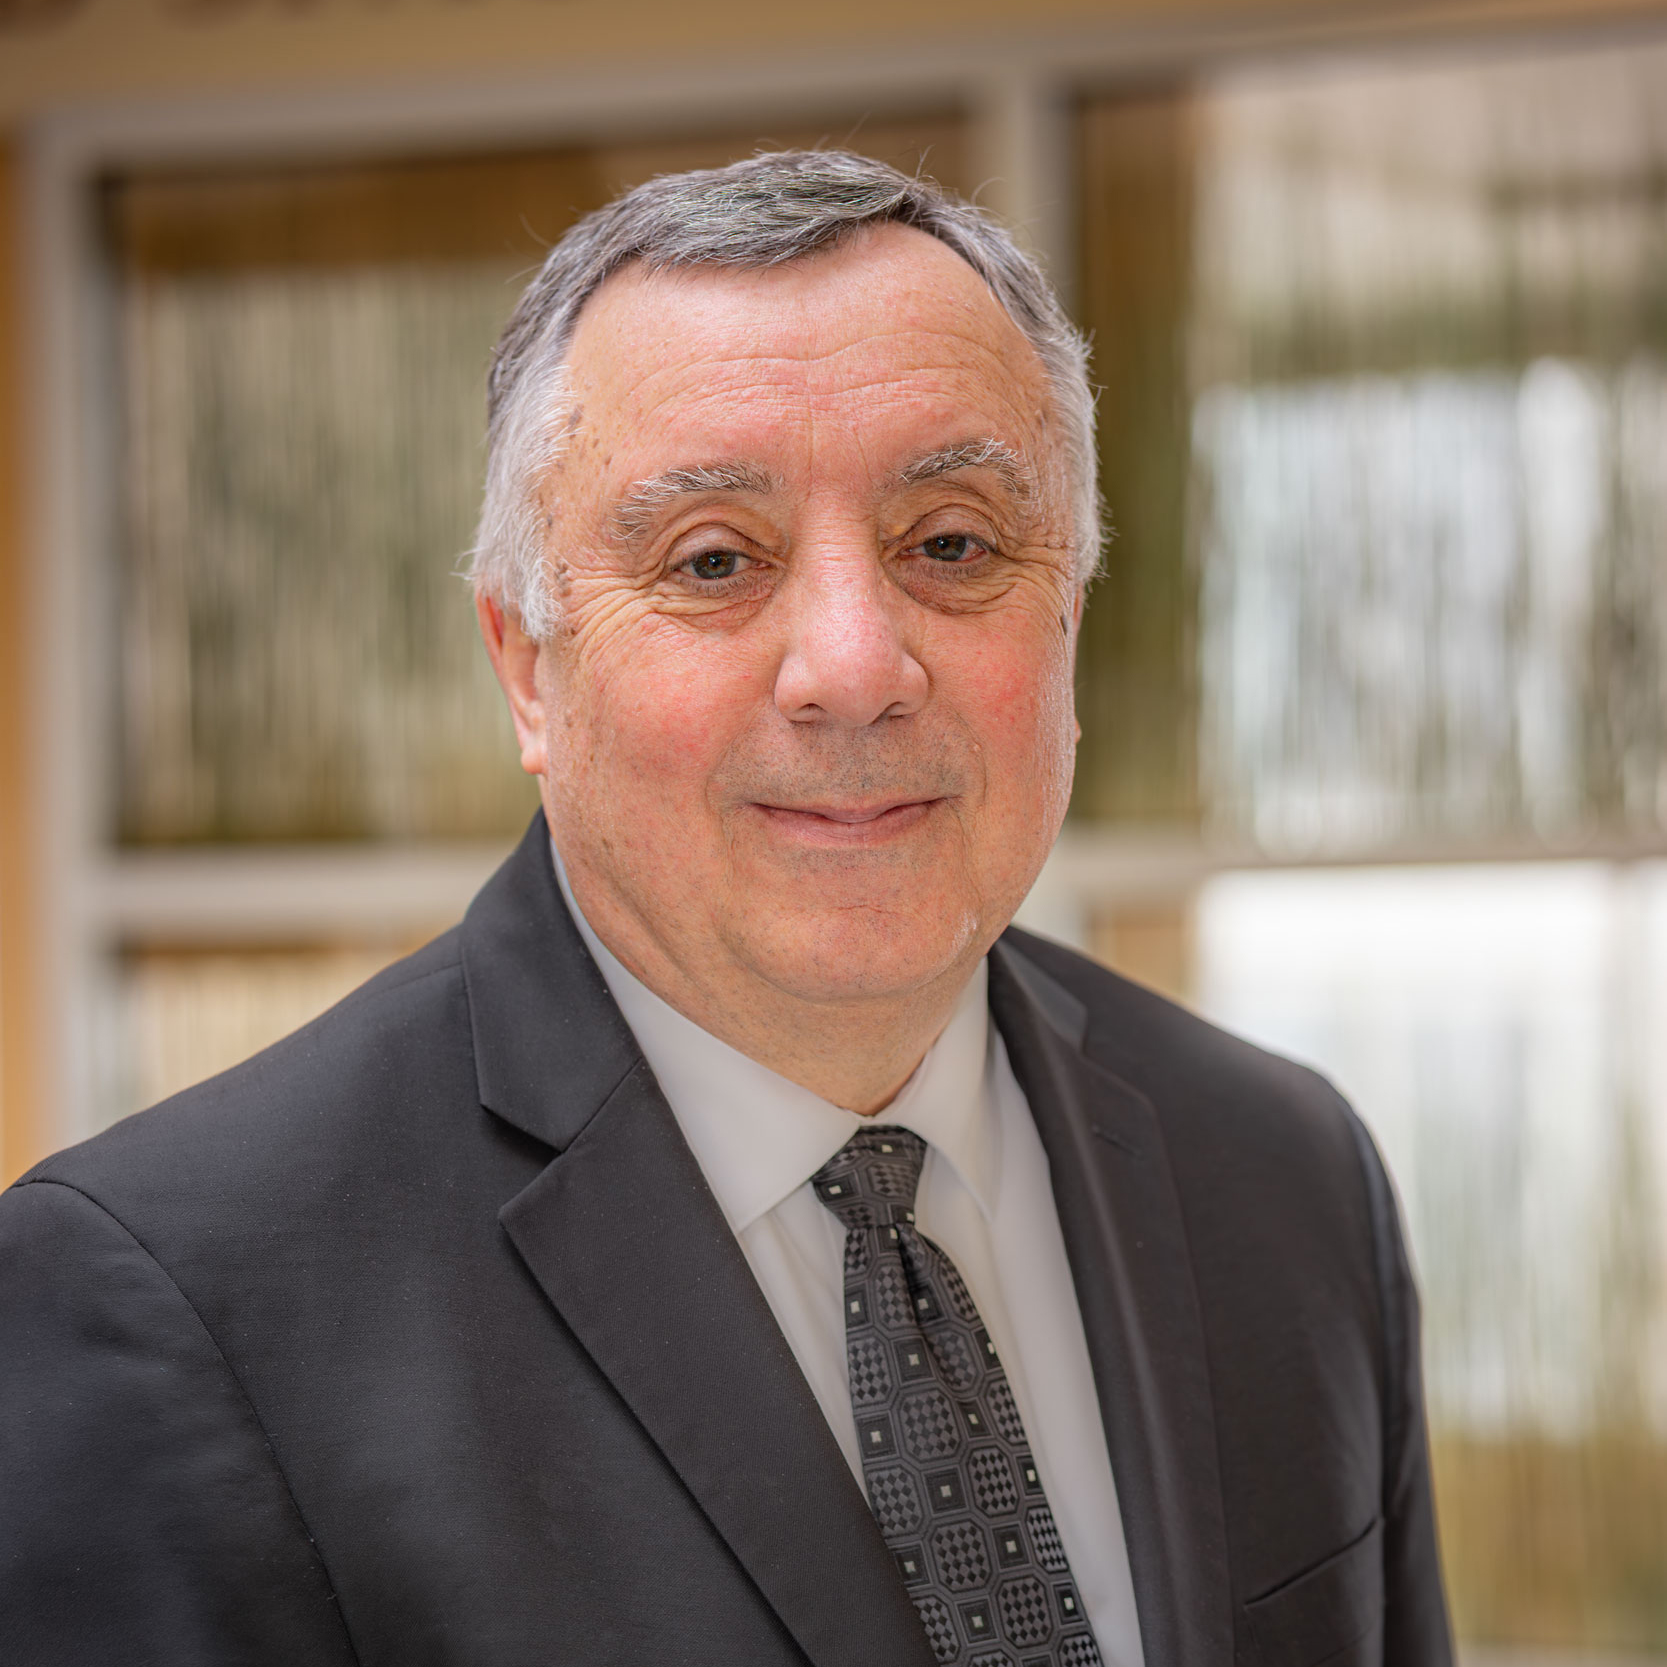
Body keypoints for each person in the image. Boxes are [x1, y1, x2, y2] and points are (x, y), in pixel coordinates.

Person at [0, 151, 1451, 1667]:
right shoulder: (169, 1303)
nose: (854, 667)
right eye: (713, 560)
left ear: (1069, 611)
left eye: (952, 543)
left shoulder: (1290, 1181)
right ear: (527, 666)